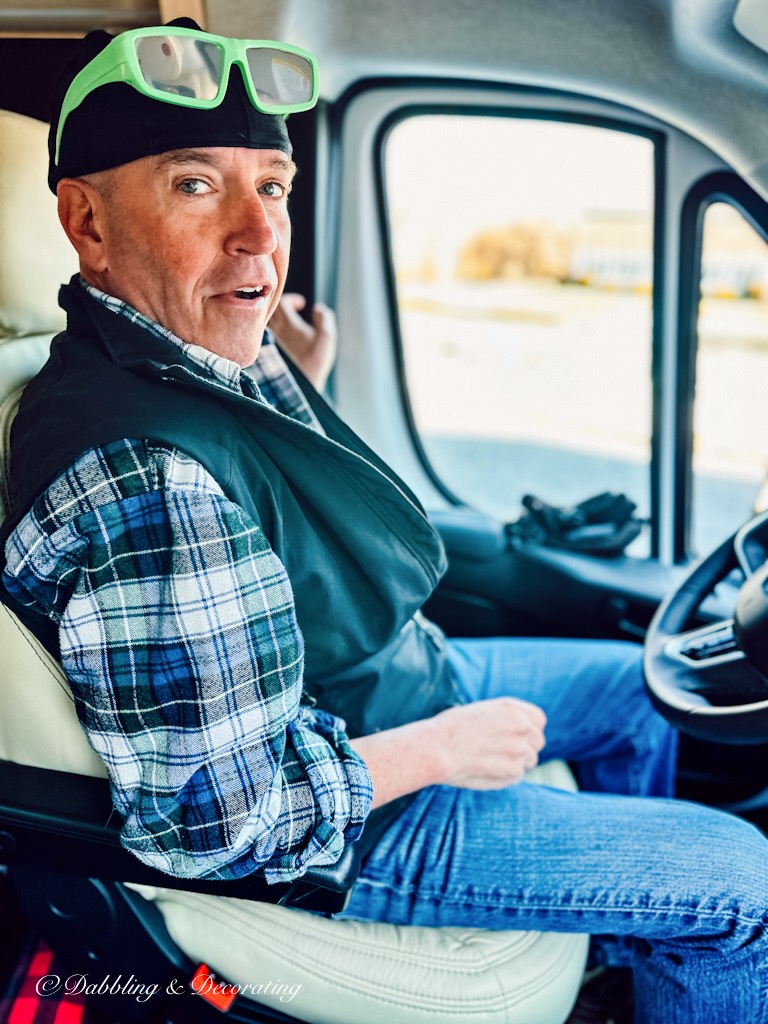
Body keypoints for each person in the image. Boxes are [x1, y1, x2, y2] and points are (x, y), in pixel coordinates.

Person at [0, 21, 766, 1024]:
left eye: (270, 184)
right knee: (744, 883)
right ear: (86, 222)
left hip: (383, 676)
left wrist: (300, 387)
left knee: (636, 696)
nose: (259, 234)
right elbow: (221, 819)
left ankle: (635, 946)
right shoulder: (145, 476)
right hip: (355, 811)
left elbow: (270, 481)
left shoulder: (184, 345)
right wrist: (442, 749)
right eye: (196, 184)